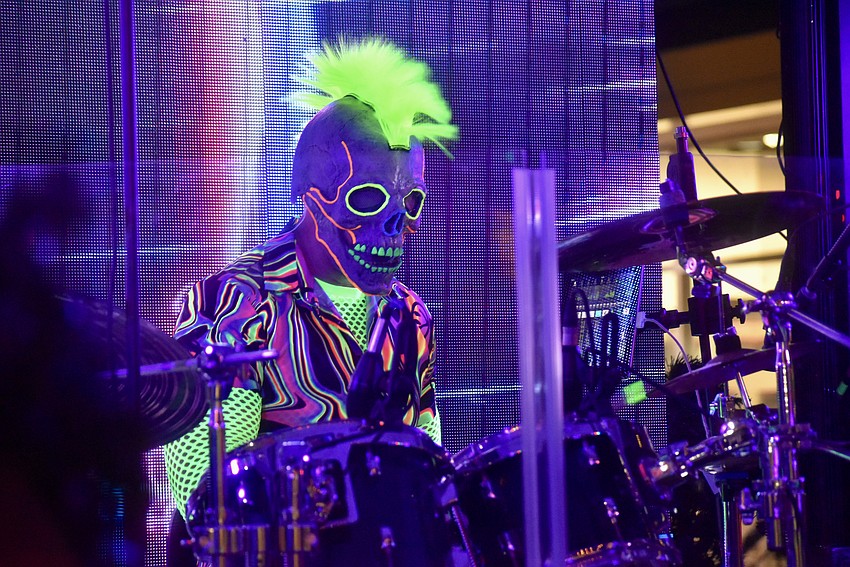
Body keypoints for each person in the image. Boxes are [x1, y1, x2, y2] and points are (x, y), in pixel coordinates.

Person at [162, 37, 457, 531]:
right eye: (367, 199)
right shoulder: (238, 302)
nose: (396, 226)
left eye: (411, 205)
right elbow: (212, 500)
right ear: (311, 196)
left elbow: (427, 464)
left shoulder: (409, 313)